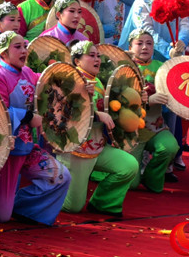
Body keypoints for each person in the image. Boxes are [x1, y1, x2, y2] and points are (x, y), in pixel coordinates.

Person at [0, 31, 71, 224]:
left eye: (24, 46)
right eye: (17, 47)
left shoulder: (26, 72)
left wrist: (70, 80)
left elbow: (42, 82)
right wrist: (27, 116)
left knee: (61, 177)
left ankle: (20, 207)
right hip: (4, 150)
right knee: (0, 217)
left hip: (26, 146)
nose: (24, 51)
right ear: (4, 53)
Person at [58, 41, 139, 217]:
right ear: (77, 61)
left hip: (98, 146)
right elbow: (64, 114)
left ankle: (103, 203)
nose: (97, 59)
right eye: (91, 55)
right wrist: (95, 114)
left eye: (98, 56)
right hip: (75, 150)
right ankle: (51, 193)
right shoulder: (69, 80)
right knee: (73, 207)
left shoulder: (99, 82)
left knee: (129, 165)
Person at [127, 29, 180, 191]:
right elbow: (119, 100)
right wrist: (149, 100)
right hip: (131, 131)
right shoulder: (124, 68)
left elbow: (177, 88)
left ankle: (151, 177)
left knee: (170, 147)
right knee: (131, 185)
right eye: (139, 43)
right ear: (130, 47)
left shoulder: (162, 67)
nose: (145, 47)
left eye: (149, 43)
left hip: (155, 127)